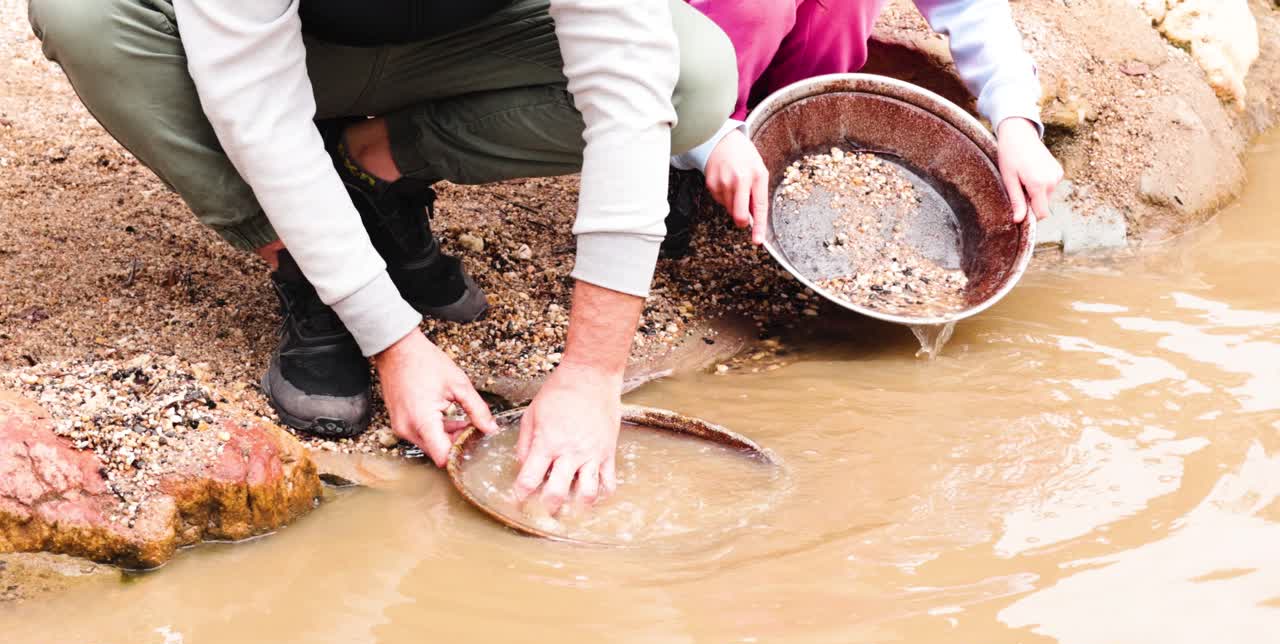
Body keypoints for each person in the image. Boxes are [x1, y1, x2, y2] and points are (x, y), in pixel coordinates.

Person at [26, 0, 736, 512]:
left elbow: (628, 88)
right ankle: (296, 260)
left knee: (694, 74)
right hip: (289, 46)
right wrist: (392, 339)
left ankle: (374, 165)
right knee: (81, 11)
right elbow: (259, 108)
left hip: (474, 37)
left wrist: (590, 371)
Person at [662, 0, 1064, 255]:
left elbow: (971, 9)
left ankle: (780, 154)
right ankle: (681, 158)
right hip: (668, 52)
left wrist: (1016, 118)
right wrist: (710, 134)